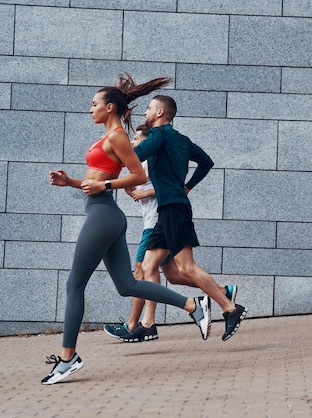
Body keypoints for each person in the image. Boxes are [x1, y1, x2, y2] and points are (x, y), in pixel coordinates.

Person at [43, 74, 211, 385]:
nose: (90, 109)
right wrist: (71, 182)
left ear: (109, 108)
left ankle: (68, 358)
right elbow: (95, 182)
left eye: (94, 105)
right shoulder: (108, 135)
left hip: (103, 216)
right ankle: (192, 304)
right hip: (103, 212)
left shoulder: (118, 135)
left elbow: (136, 176)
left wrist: (105, 184)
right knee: (126, 284)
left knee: (73, 286)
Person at [103, 125, 238, 342]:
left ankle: (139, 324)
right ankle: (221, 293)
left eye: (138, 138)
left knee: (148, 271)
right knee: (171, 275)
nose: (134, 142)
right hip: (161, 218)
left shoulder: (158, 141)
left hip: (163, 217)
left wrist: (106, 182)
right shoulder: (165, 148)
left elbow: (160, 179)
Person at [132, 95, 247, 342]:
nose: (145, 113)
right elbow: (206, 162)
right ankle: (148, 323)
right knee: (151, 268)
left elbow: (137, 155)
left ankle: (229, 308)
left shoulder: (159, 135)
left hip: (174, 209)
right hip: (168, 209)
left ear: (161, 112)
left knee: (186, 267)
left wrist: (115, 146)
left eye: (149, 108)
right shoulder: (181, 140)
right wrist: (188, 186)